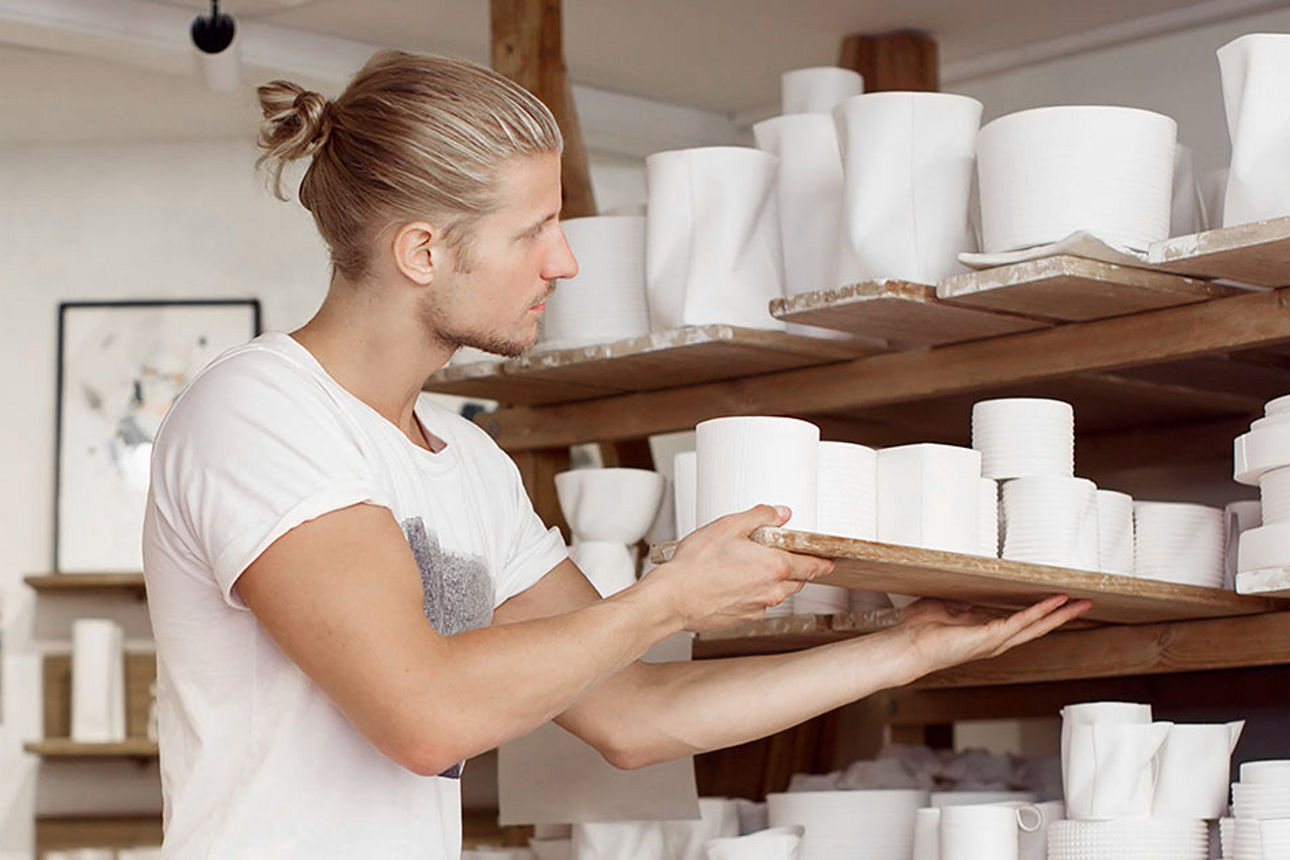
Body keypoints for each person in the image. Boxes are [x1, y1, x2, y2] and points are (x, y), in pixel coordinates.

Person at [141, 49, 1090, 858]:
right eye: (532, 231)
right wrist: (669, 596)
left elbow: (632, 716)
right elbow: (422, 718)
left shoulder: (467, 463)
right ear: (422, 251)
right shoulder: (259, 413)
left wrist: (905, 649)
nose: (565, 261)